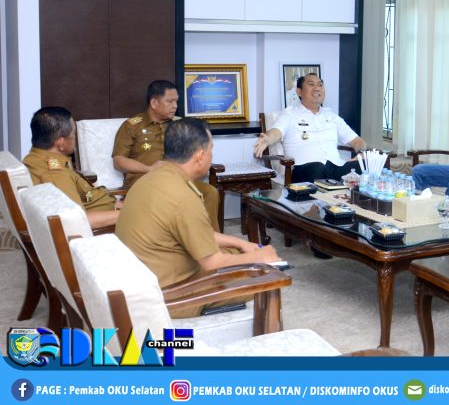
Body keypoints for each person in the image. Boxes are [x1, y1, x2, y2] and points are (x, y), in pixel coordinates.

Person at [116, 117, 280, 318]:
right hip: (171, 296)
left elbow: (195, 232)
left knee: (236, 251)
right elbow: (213, 263)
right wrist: (262, 257)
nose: (212, 155)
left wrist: (240, 243)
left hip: (146, 280)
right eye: (211, 149)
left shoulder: (150, 180)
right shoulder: (183, 198)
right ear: (200, 155)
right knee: (264, 274)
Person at [112, 80, 220, 230]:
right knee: (168, 196)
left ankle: (210, 237)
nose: (175, 106)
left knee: (210, 192)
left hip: (179, 179)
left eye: (176, 101)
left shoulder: (182, 126)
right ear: (154, 103)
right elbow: (119, 160)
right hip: (144, 180)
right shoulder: (132, 126)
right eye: (170, 101)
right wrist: (149, 169)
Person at [253, 73, 368, 183]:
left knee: (364, 165)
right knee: (318, 167)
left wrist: (361, 154)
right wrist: (268, 138)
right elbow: (276, 132)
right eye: (311, 84)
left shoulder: (331, 115)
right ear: (299, 91)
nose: (317, 88)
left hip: (336, 168)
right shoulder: (290, 114)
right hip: (305, 170)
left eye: (320, 85)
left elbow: (358, 141)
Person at [23, 107, 120, 229]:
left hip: (109, 208)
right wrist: (127, 215)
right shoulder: (55, 175)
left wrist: (115, 205)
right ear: (60, 143)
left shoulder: (35, 158)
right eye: (73, 134)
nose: (74, 138)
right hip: (105, 228)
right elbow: (76, 221)